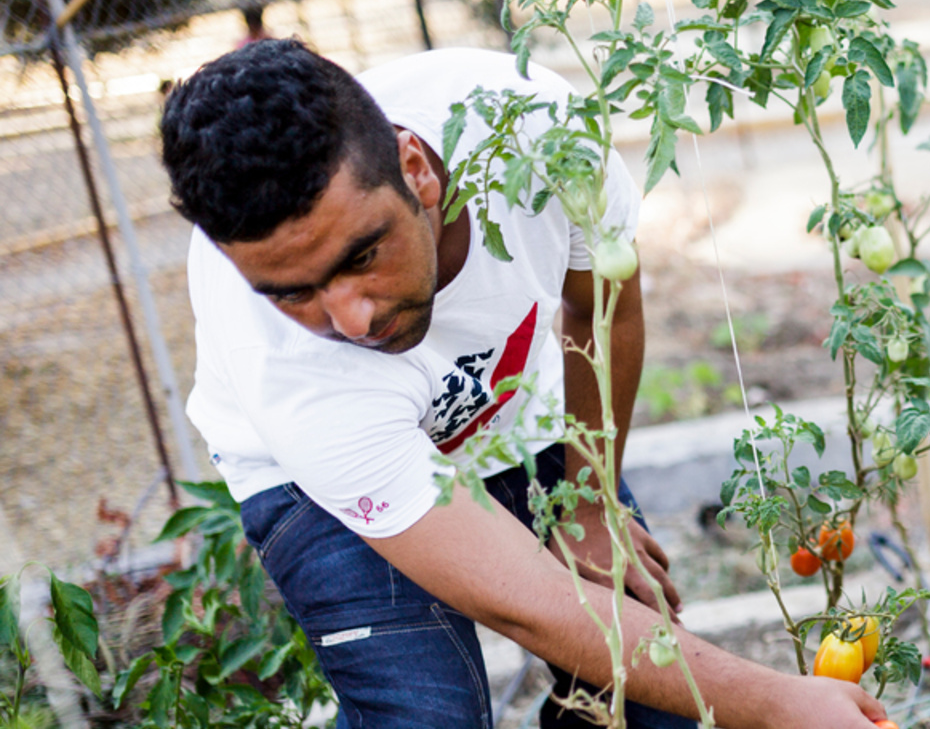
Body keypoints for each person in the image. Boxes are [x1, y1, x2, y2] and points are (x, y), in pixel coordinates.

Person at [160, 40, 889, 729]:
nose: (351, 319)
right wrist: (778, 705)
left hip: (517, 407)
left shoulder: (538, 131)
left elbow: (600, 302)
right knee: (428, 715)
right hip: (318, 481)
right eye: (292, 291)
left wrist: (594, 505)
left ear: (416, 168)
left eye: (363, 254)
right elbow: (531, 605)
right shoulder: (285, 363)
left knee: (647, 700)